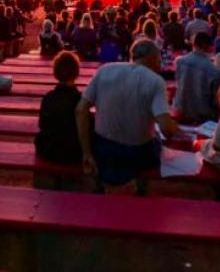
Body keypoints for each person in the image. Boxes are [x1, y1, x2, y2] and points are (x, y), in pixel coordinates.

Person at [76, 39, 180, 190]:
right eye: (159, 62)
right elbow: (166, 129)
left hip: (103, 149)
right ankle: (140, 190)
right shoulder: (156, 81)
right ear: (152, 59)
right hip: (137, 154)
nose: (160, 66)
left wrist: (86, 152)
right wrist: (175, 127)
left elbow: (80, 110)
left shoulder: (105, 70)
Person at [35, 51, 83, 165]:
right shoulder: (80, 100)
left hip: (48, 150)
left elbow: (42, 125)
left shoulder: (48, 98)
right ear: (76, 73)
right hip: (72, 153)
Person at [173, 32, 220, 123]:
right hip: (203, 116)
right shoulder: (214, 70)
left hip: (181, 111)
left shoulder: (179, 62)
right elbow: (216, 101)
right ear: (206, 46)